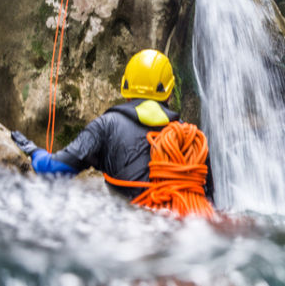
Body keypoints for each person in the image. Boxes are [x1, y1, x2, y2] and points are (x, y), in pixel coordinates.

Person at [11, 49, 214, 200]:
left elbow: (54, 169)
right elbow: (209, 200)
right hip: (185, 238)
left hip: (128, 235)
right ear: (169, 93)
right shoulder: (192, 139)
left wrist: (33, 151)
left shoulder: (106, 126)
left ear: (125, 88)